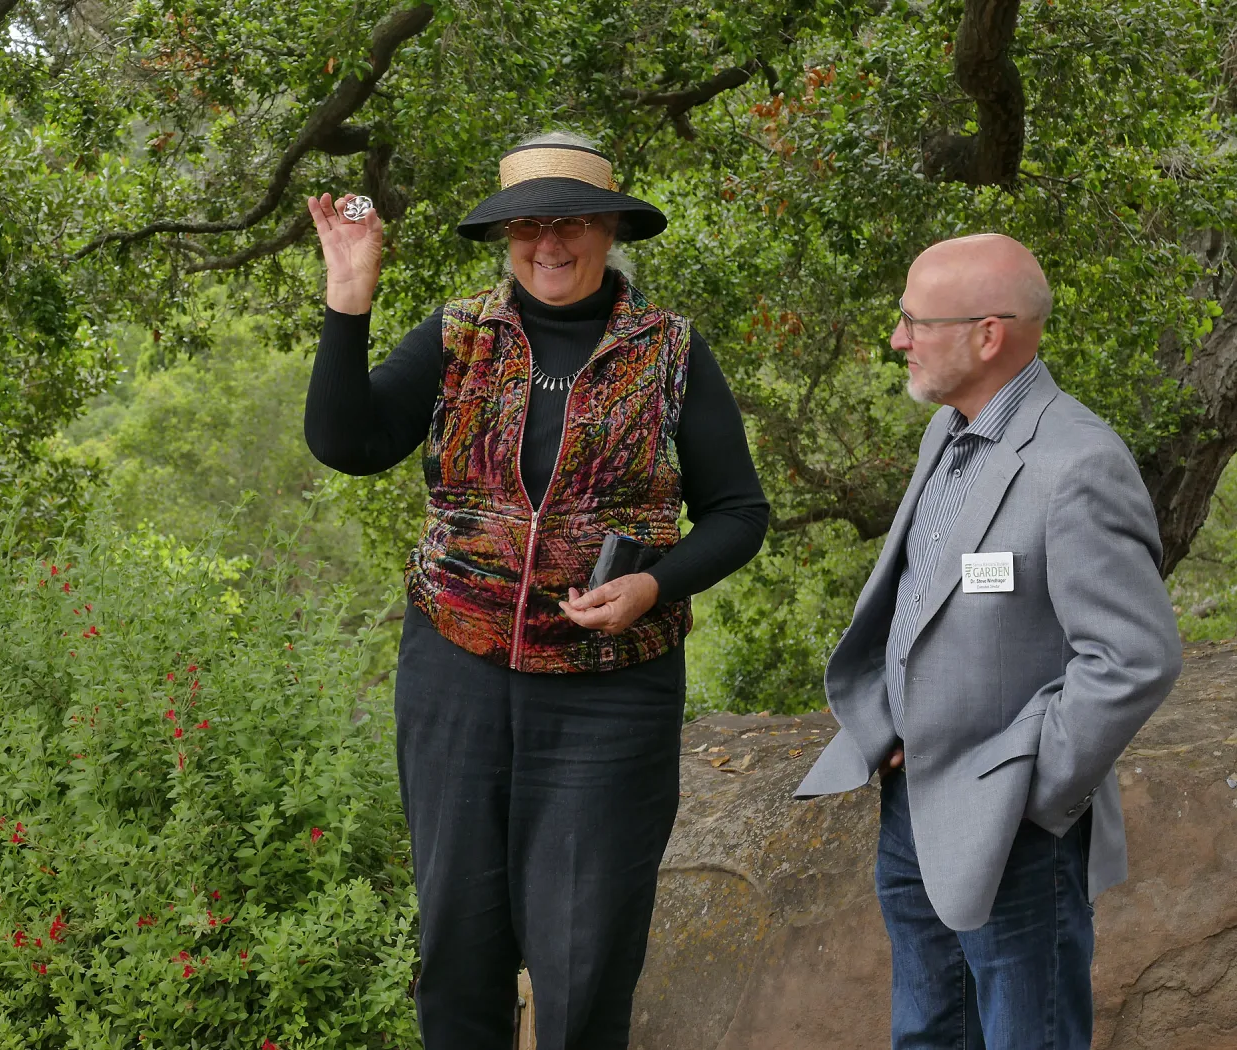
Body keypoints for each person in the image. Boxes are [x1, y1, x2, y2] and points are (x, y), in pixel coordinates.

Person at [304, 133, 768, 1050]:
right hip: (454, 676)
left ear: (609, 230)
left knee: (585, 955)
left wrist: (653, 583)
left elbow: (738, 514)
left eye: (574, 221)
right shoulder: (457, 336)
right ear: (506, 236)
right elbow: (346, 444)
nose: (549, 243)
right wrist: (348, 299)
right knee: (460, 943)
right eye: (529, 224)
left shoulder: (670, 350)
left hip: (611, 694)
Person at [793, 234, 1182, 1049]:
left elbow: (1133, 658)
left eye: (913, 321)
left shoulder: (1078, 462)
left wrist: (1031, 789)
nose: (897, 338)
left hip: (1013, 831)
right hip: (910, 806)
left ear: (987, 334)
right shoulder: (949, 432)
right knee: (930, 1033)